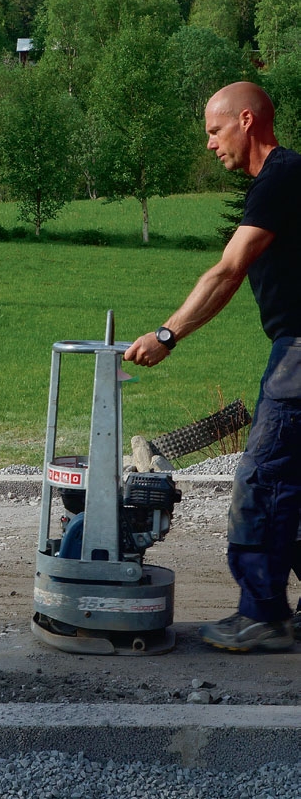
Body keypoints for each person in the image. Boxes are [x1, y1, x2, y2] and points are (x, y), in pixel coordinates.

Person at [124, 81, 301, 652]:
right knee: (293, 485)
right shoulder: (286, 179)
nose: (208, 144)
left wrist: (167, 334)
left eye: (213, 130)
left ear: (246, 122)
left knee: (264, 478)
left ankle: (264, 616)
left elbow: (227, 273)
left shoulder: (280, 179)